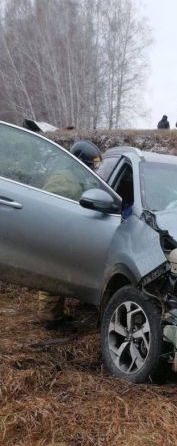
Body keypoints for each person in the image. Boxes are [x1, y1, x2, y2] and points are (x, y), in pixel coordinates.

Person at [38, 140, 102, 330]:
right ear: (80, 161)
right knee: (53, 275)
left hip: (64, 232)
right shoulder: (64, 178)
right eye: (91, 165)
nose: (94, 168)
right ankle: (50, 319)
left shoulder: (76, 175)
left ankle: (55, 314)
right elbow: (53, 206)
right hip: (56, 233)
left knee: (58, 273)